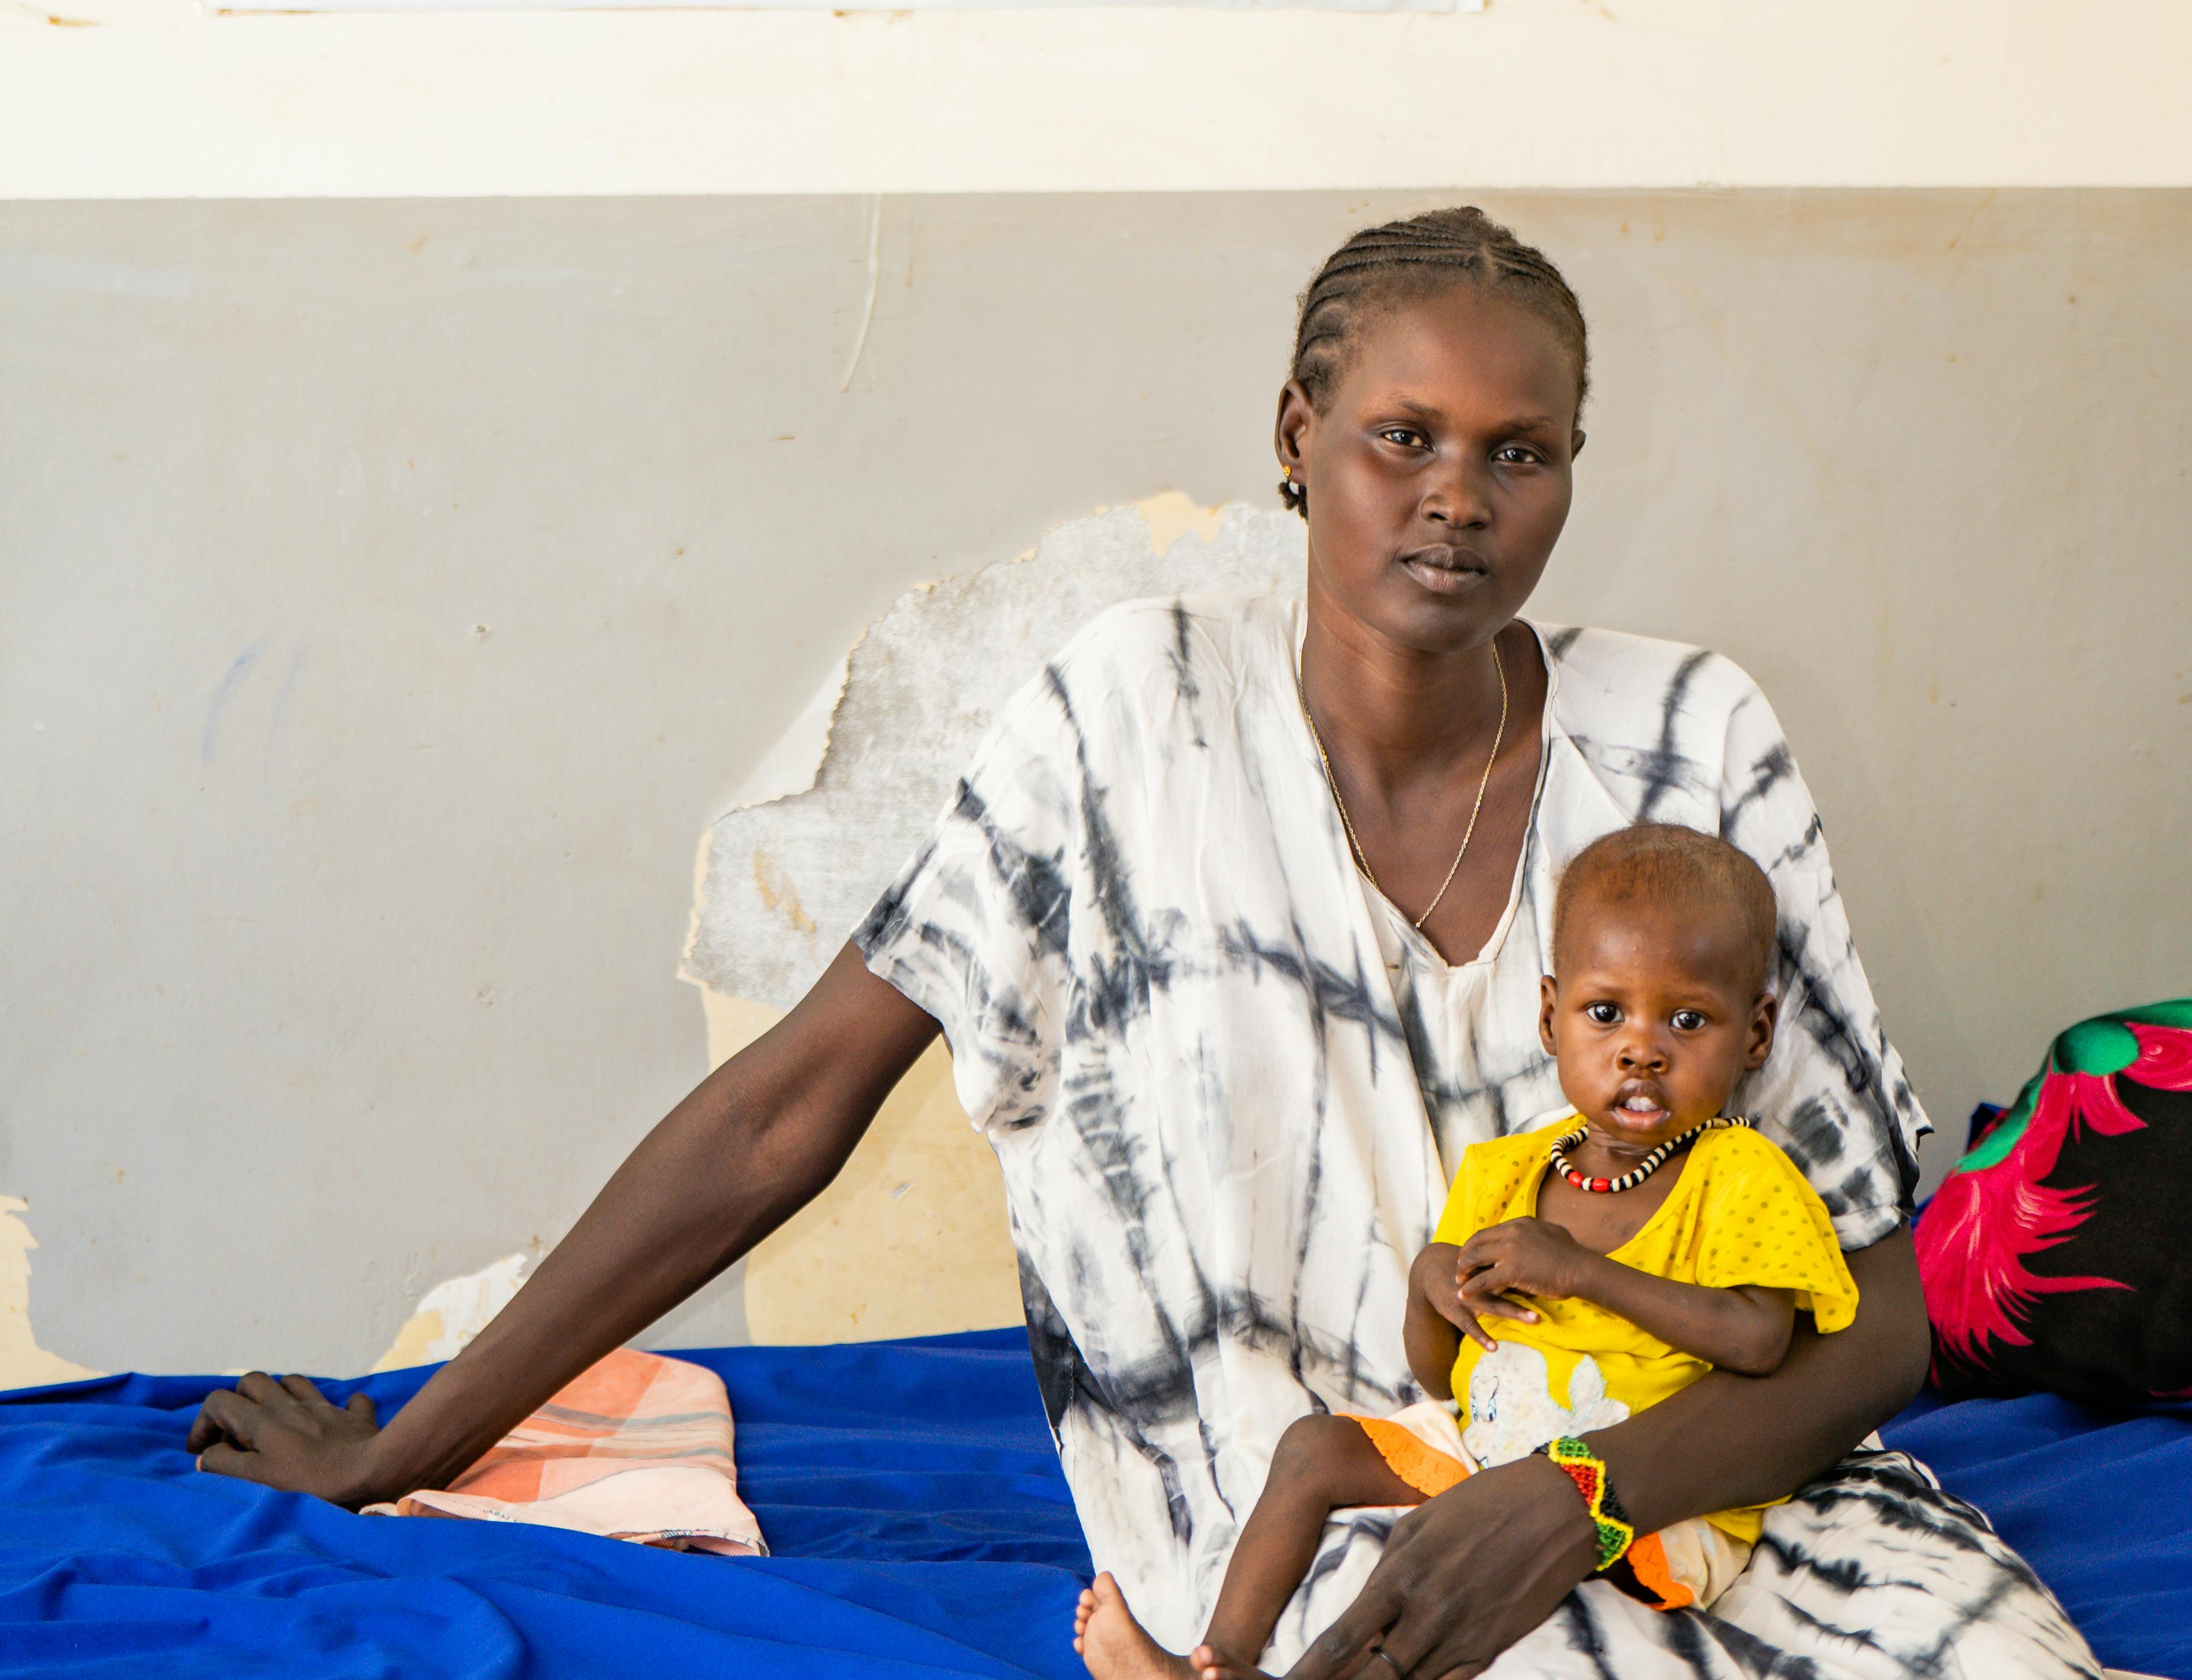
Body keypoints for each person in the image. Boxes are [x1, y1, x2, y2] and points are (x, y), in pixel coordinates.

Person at [189, 209, 2098, 1678]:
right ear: (1295, 435)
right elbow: (784, 1111)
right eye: (1402, 437)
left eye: (1519, 453)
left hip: (1703, 1482)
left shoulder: (1685, 738)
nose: (1456, 495)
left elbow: (1885, 1292)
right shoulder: (1123, 722)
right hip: (1304, 1504)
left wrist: (1584, 1493)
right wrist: (405, 1442)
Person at [1072, 824, 1861, 1680]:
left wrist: (1582, 1272)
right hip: (1490, 1447)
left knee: (1475, 1592)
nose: (1642, 1048)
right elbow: (1442, 1375)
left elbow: (1759, 1339)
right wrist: (1428, 1288)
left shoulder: (1740, 1173)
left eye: (1688, 1019)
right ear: (1551, 1016)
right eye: (1606, 1013)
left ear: (1756, 1033)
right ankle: (1215, 1658)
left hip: (1640, 1505)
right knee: (1312, 1447)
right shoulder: (1506, 1171)